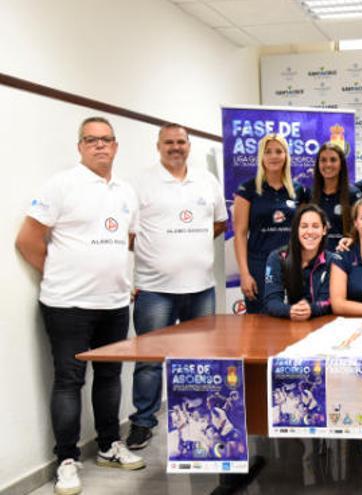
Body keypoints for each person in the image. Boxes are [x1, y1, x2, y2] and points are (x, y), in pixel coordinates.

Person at [15, 117, 144, 495]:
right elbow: (28, 240)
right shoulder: (61, 185)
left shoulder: (126, 191)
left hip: (115, 304)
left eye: (107, 140)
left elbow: (127, 240)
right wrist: (60, 273)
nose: (100, 146)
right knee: (69, 381)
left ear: (116, 146)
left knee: (108, 378)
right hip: (67, 304)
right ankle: (66, 461)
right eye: (92, 140)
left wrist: (119, 278)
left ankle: (107, 446)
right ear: (80, 147)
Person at [126, 123, 228, 451]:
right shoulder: (140, 183)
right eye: (168, 142)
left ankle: (200, 420)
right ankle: (143, 422)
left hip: (200, 288)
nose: (175, 147)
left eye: (181, 142)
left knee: (200, 360)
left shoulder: (207, 181)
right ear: (158, 146)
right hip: (155, 289)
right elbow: (128, 234)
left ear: (189, 145)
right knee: (150, 360)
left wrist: (188, 250)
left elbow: (219, 222)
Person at [232, 134, 306, 313]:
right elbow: (240, 234)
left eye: (279, 151)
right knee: (260, 322)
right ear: (261, 157)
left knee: (293, 316)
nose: (273, 156)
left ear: (286, 156)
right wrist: (244, 273)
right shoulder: (247, 189)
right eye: (268, 152)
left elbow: (305, 232)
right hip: (258, 265)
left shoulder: (299, 190)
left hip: (292, 264)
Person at [263, 204, 332, 320]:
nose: (310, 231)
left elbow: (330, 301)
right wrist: (290, 310)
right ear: (296, 230)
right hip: (286, 324)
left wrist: (311, 309)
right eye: (304, 226)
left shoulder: (332, 261)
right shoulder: (277, 258)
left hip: (321, 325)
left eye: (315, 226)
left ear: (324, 230)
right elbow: (271, 301)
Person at [304, 143, 362, 251]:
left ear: (341, 164)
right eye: (323, 160)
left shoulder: (353, 194)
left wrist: (352, 239)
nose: (328, 164)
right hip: (316, 260)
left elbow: (361, 228)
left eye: (333, 160)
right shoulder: (309, 194)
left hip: (344, 258)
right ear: (318, 164)